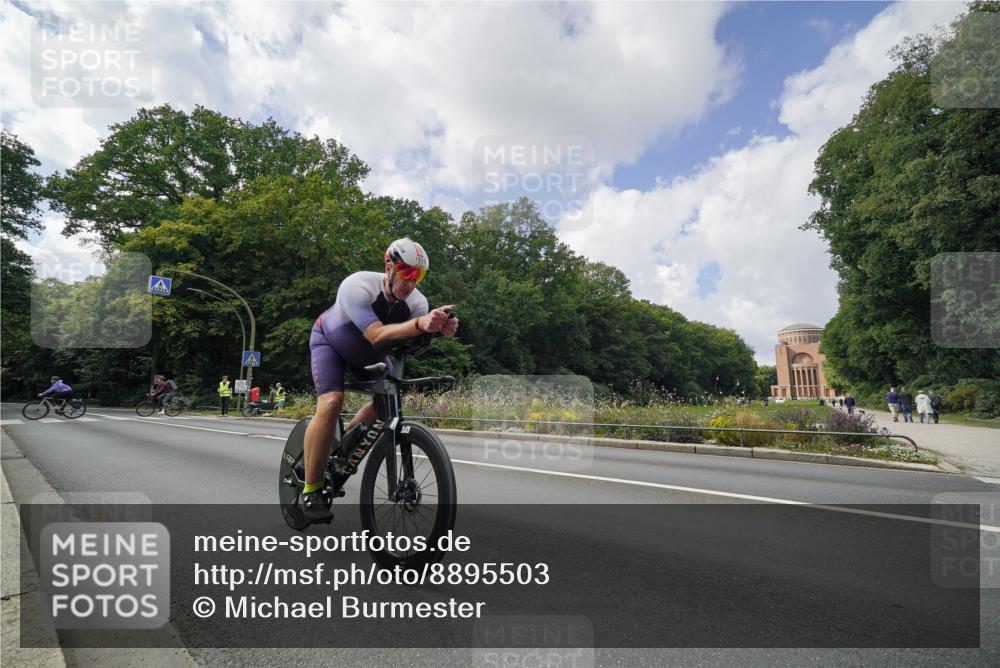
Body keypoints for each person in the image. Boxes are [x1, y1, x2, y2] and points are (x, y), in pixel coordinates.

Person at [301, 238, 459, 523]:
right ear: (389, 267)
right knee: (332, 402)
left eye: (418, 275)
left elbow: (410, 343)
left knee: (386, 400)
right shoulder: (357, 285)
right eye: (407, 272)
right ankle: (310, 490)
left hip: (368, 355)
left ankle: (342, 447)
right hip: (330, 342)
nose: (412, 282)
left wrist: (437, 330)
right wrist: (420, 325)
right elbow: (376, 336)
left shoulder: (417, 302)